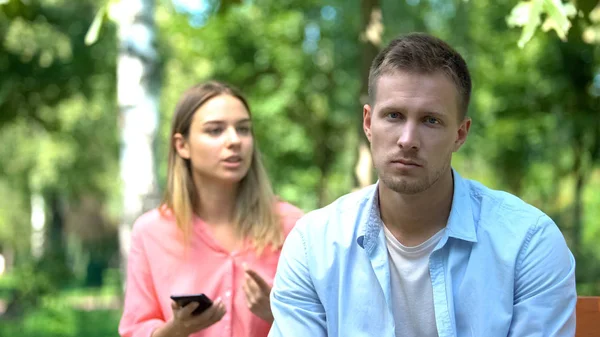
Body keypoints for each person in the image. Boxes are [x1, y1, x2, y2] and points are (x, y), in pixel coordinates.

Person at [268, 33, 576, 337]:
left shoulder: (527, 243)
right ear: (367, 123)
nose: (408, 140)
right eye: (394, 115)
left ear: (460, 134)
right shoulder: (315, 244)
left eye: (430, 120)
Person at [118, 81, 304, 337]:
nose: (234, 140)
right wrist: (176, 329)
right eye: (215, 130)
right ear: (182, 145)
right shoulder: (150, 232)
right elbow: (134, 330)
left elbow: (330, 323)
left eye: (243, 129)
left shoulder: (294, 226)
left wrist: (278, 313)